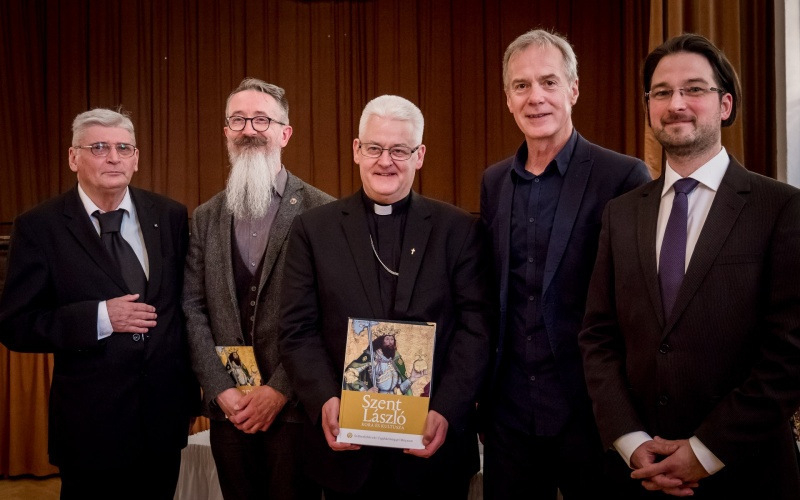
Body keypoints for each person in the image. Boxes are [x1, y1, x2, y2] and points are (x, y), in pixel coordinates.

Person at [579, 33, 800, 498]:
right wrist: (630, 441)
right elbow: (598, 336)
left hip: (747, 473)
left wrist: (705, 451)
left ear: (725, 104)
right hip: (638, 475)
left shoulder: (781, 208)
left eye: (694, 89)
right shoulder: (621, 214)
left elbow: (790, 352)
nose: (676, 104)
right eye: (662, 92)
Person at [279, 94, 492, 498]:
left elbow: (476, 330)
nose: (385, 161)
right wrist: (324, 399)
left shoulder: (458, 230)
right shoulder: (314, 230)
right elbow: (296, 330)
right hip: (345, 453)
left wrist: (445, 409)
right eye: (374, 148)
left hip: (432, 448)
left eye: (399, 150)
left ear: (419, 155)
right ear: (357, 150)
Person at [479, 29, 651, 499]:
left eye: (549, 82)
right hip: (509, 415)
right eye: (521, 85)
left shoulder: (623, 176)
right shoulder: (494, 182)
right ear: (508, 99)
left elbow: (638, 304)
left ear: (573, 90)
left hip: (591, 413)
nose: (535, 97)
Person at [0, 108, 197, 499]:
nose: (113, 157)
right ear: (73, 157)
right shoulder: (40, 226)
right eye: (99, 147)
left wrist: (193, 396)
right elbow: (15, 325)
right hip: (90, 428)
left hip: (163, 421)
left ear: (136, 159)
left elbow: (185, 308)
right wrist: (100, 317)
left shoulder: (170, 215)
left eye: (124, 148)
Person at [183, 77, 333, 500]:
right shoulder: (206, 216)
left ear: (285, 133)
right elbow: (192, 308)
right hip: (229, 410)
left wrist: (279, 390)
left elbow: (329, 312)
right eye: (238, 120)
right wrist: (220, 389)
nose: (249, 129)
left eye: (262, 120)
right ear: (226, 132)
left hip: (296, 409)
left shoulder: (322, 210)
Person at [343, 328, 421, 395]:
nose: (390, 342)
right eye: (387, 339)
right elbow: (349, 373)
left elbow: (399, 391)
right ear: (381, 341)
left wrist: (412, 379)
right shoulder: (372, 356)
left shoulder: (396, 359)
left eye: (392, 339)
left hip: (393, 403)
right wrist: (364, 390)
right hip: (375, 400)